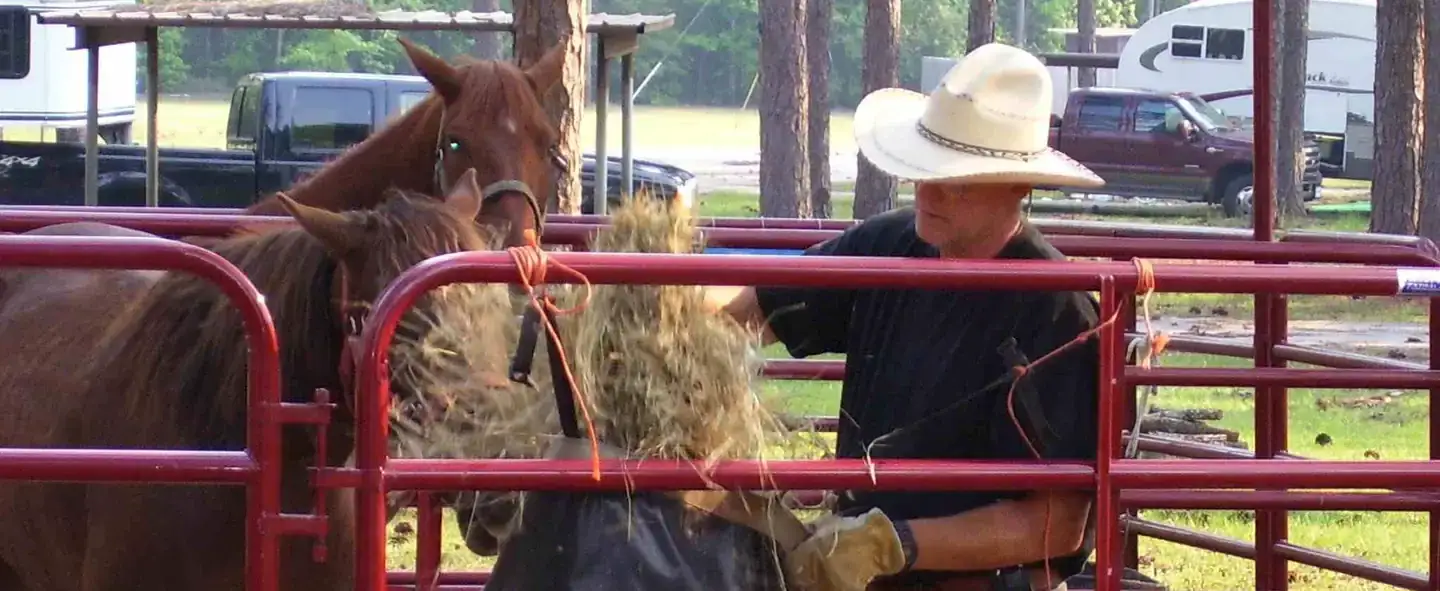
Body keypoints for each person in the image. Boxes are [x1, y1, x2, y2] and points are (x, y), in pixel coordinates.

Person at [708, 43, 1108, 591]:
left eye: (958, 177)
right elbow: (751, 306)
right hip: (857, 565)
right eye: (924, 166)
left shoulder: (1059, 311)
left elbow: (1059, 524)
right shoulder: (892, 243)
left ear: (1019, 186)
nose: (929, 188)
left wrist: (893, 543)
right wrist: (651, 314)